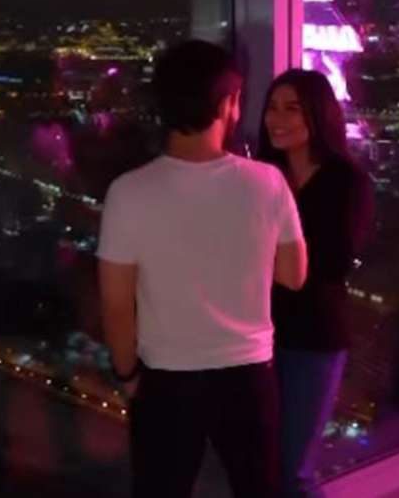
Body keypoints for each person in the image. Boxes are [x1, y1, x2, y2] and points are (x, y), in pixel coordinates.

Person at [98, 40, 308, 498]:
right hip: (249, 376)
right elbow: (294, 275)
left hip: (166, 378)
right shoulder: (267, 182)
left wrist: (127, 375)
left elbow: (116, 306)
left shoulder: (128, 192)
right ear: (228, 102)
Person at [258, 69, 375, 497]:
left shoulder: (345, 180)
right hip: (258, 337)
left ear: (317, 114)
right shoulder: (263, 176)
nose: (277, 119)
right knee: (262, 462)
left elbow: (333, 263)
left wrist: (265, 259)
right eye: (272, 107)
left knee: (294, 471)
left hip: (313, 339)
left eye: (292, 108)